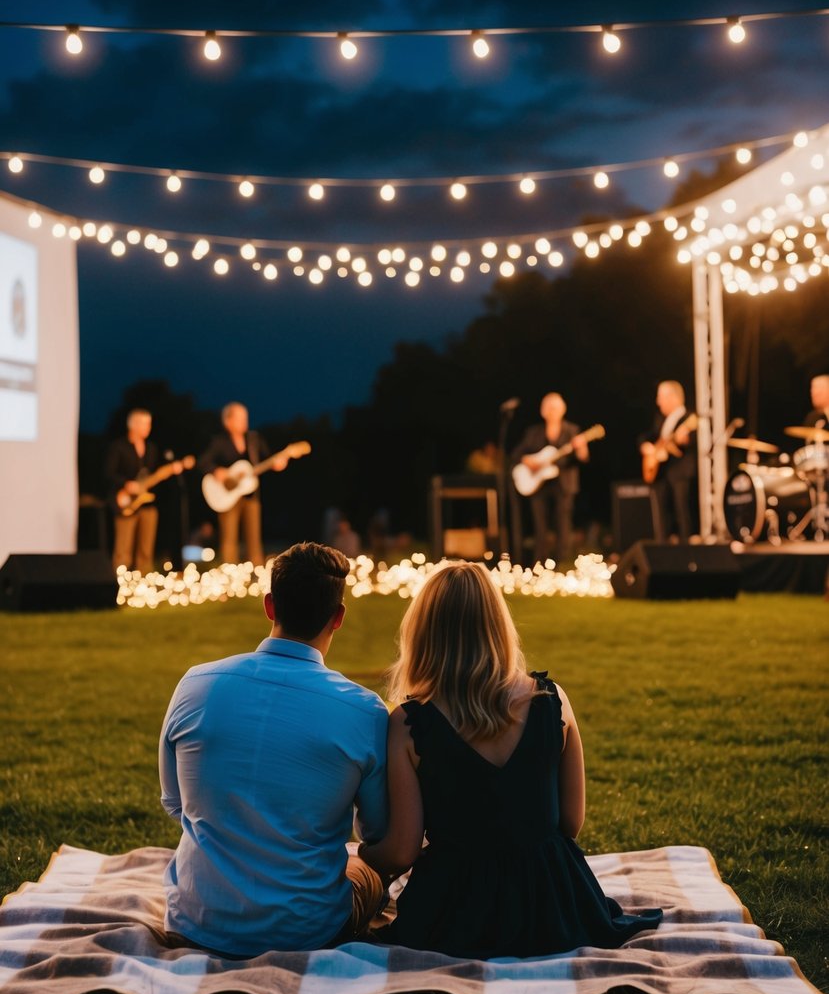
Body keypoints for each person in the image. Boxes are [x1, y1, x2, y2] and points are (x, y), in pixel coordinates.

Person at [359, 562, 661, 959]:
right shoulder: (553, 700)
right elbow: (570, 823)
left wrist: (361, 855)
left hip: (456, 911)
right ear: (498, 625)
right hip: (554, 905)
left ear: (424, 632)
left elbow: (402, 852)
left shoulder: (409, 723)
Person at [159, 542, 389, 956]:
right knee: (366, 868)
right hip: (307, 932)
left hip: (196, 921)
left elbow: (176, 804)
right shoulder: (364, 710)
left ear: (269, 606)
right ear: (337, 618)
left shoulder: (194, 684)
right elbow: (374, 833)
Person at [200, 402, 285, 565]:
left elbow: (267, 458)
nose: (244, 422)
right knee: (229, 538)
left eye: (245, 418)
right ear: (227, 421)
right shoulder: (219, 441)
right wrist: (217, 470)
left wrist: (277, 463)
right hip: (226, 497)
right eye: (239, 418)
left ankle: (257, 572)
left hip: (250, 495)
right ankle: (228, 573)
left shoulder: (253, 439)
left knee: (254, 537)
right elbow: (203, 462)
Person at [509, 393, 589, 563]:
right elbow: (517, 454)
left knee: (563, 525)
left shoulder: (572, 431)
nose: (552, 411)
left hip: (564, 484)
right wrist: (527, 460)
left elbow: (582, 458)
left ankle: (562, 564)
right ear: (543, 411)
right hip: (538, 485)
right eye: (549, 408)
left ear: (563, 410)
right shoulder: (533, 432)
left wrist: (582, 449)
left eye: (555, 408)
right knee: (540, 527)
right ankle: (539, 565)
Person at [105, 407, 176, 573]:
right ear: (132, 425)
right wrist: (126, 484)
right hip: (125, 502)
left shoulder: (151, 448)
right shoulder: (118, 447)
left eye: (149, 424)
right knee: (123, 549)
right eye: (144, 424)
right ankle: (118, 583)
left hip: (147, 503)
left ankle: (144, 582)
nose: (148, 428)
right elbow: (108, 473)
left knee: (146, 550)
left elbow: (150, 475)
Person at [638, 380, 697, 542]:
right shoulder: (661, 420)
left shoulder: (689, 418)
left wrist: (685, 440)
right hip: (661, 473)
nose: (658, 402)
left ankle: (686, 552)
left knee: (682, 512)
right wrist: (646, 446)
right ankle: (662, 549)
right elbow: (647, 437)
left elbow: (696, 441)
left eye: (660, 397)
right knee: (662, 516)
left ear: (673, 397)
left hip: (680, 472)